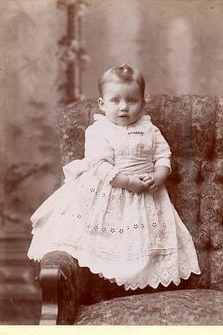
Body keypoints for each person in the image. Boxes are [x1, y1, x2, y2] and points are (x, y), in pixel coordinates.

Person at [27, 63, 200, 290]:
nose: (124, 108)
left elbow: (163, 156)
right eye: (115, 101)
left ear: (143, 103)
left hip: (147, 192)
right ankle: (106, 284)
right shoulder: (99, 130)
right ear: (102, 104)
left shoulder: (150, 129)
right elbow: (98, 164)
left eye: (131, 100)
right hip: (109, 190)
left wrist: (159, 175)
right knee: (108, 239)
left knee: (144, 239)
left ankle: (143, 283)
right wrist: (127, 182)